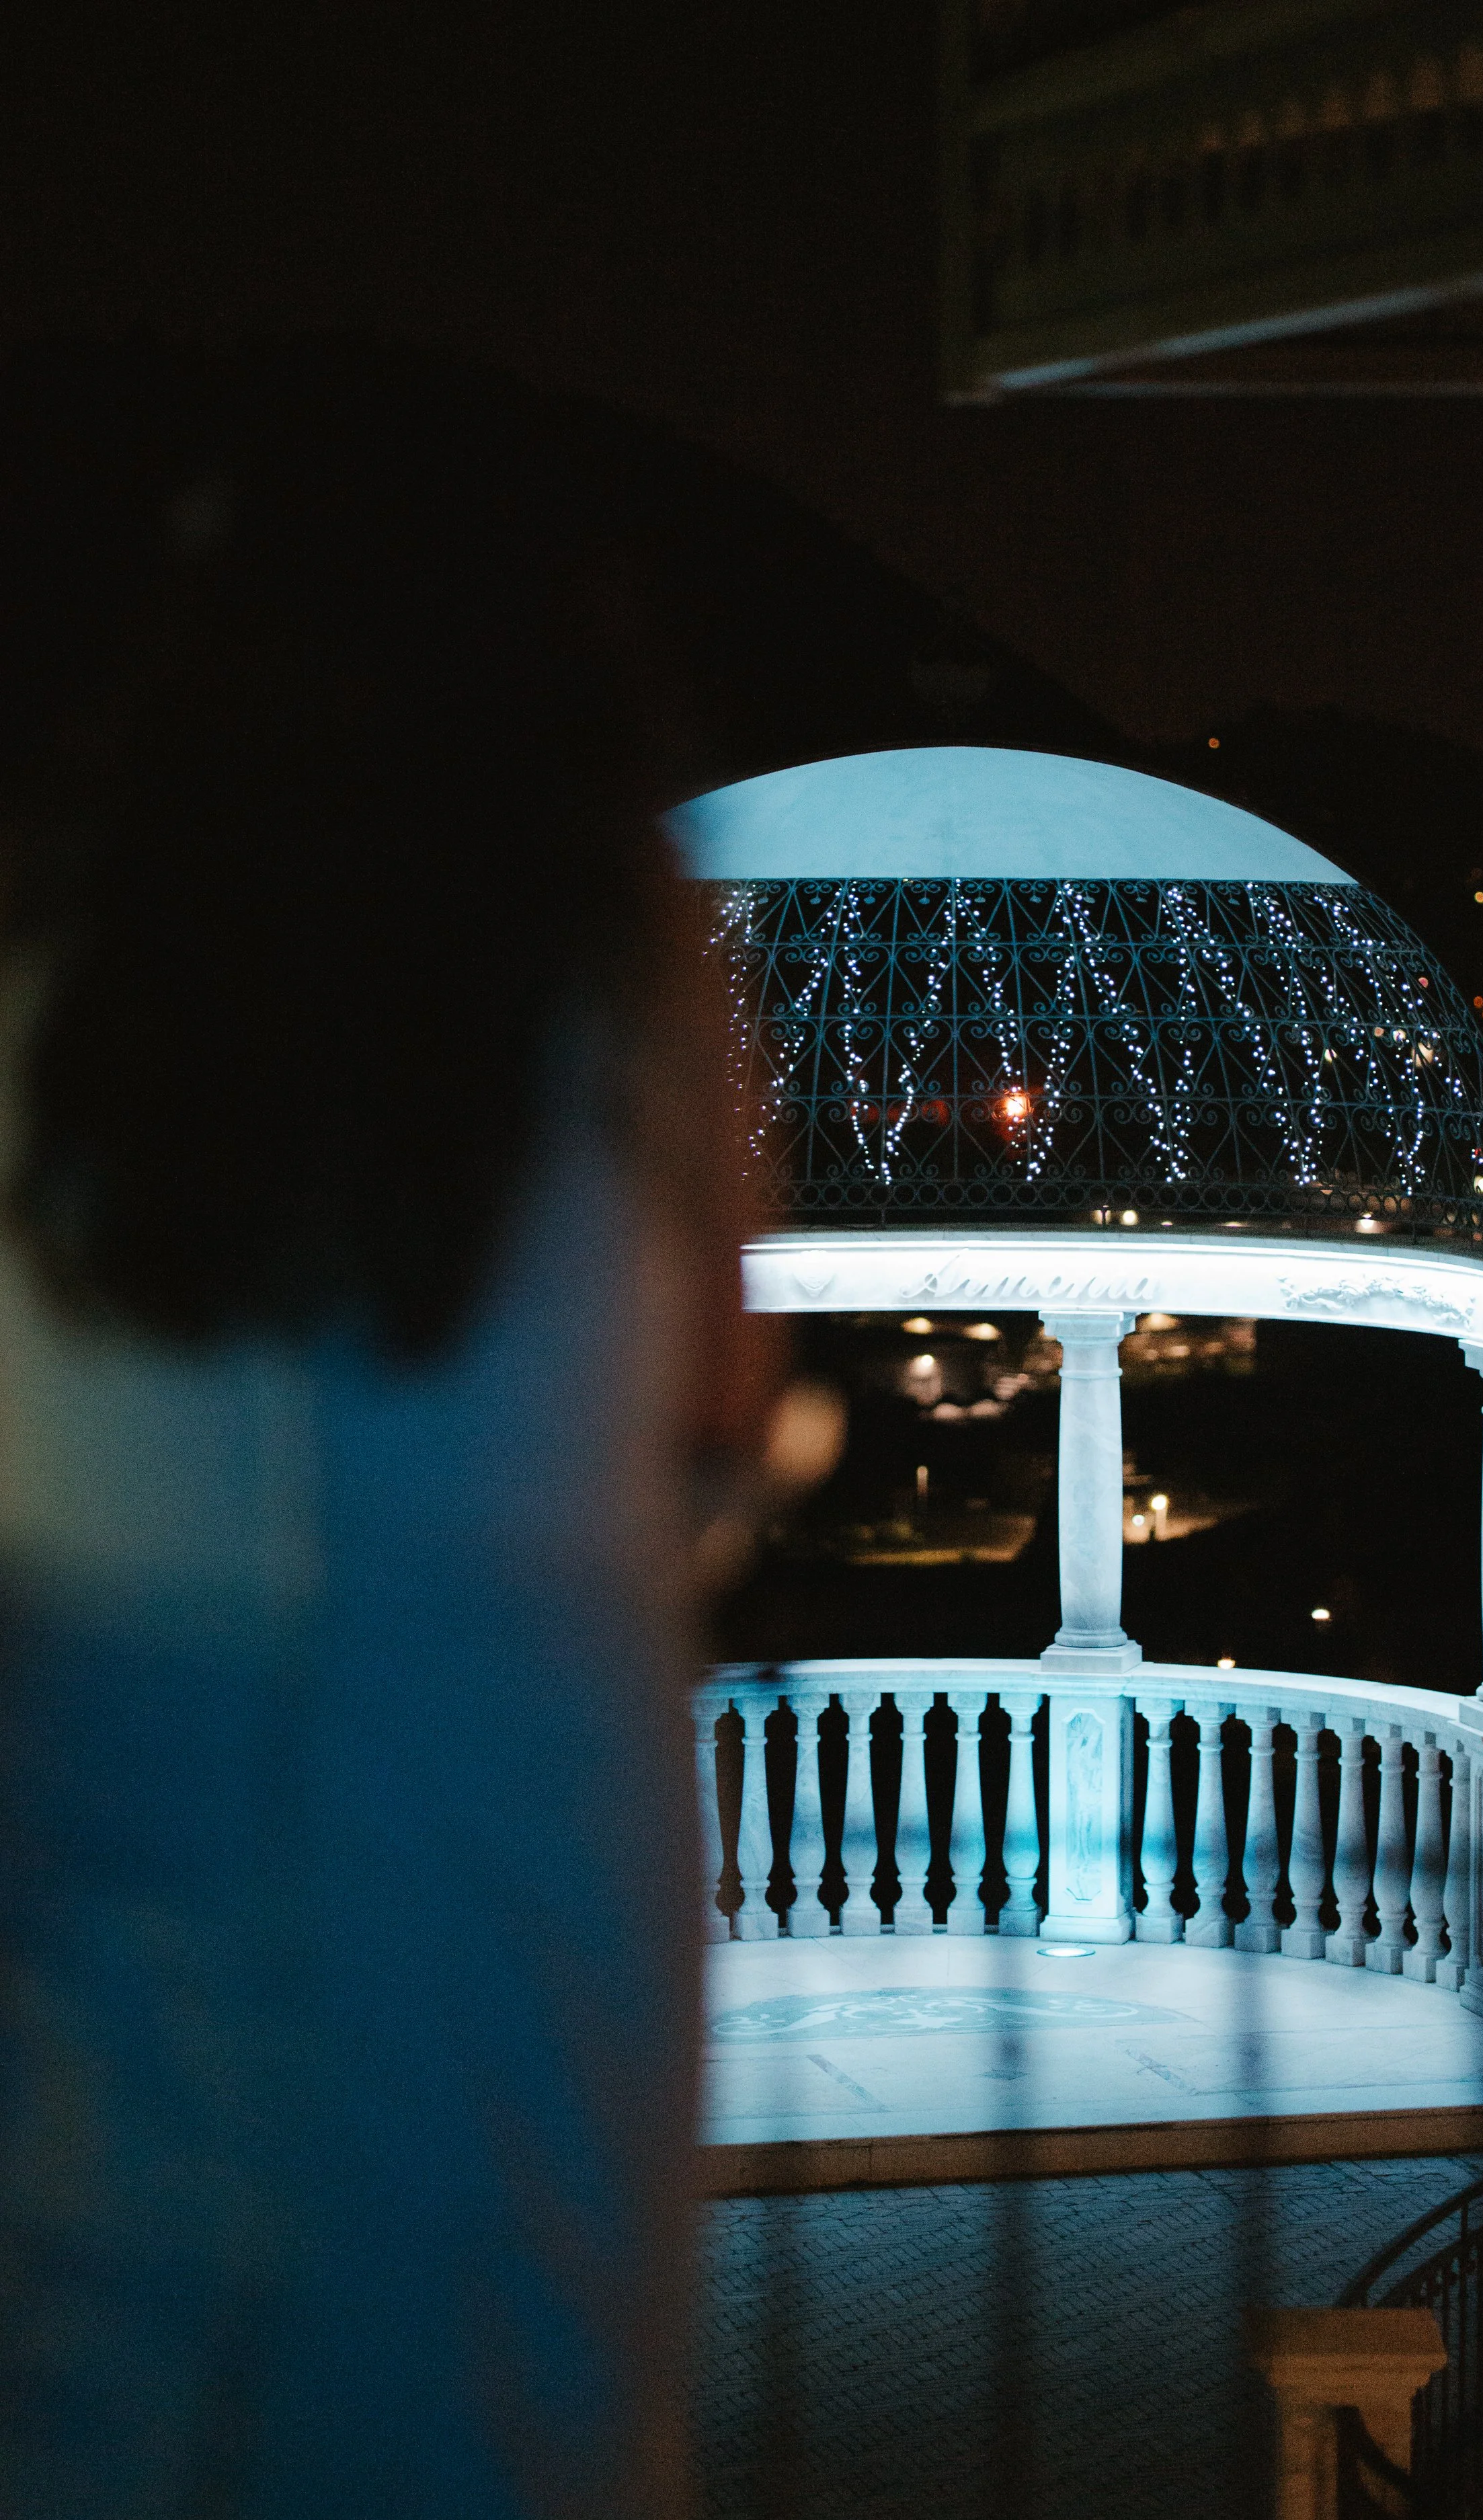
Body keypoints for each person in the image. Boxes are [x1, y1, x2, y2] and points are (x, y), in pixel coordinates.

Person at [0, 342, 776, 2517]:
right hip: (511, 1750)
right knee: (490, 2387)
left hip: (90, 1740)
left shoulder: (58, 930)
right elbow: (716, 1401)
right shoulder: (620, 954)